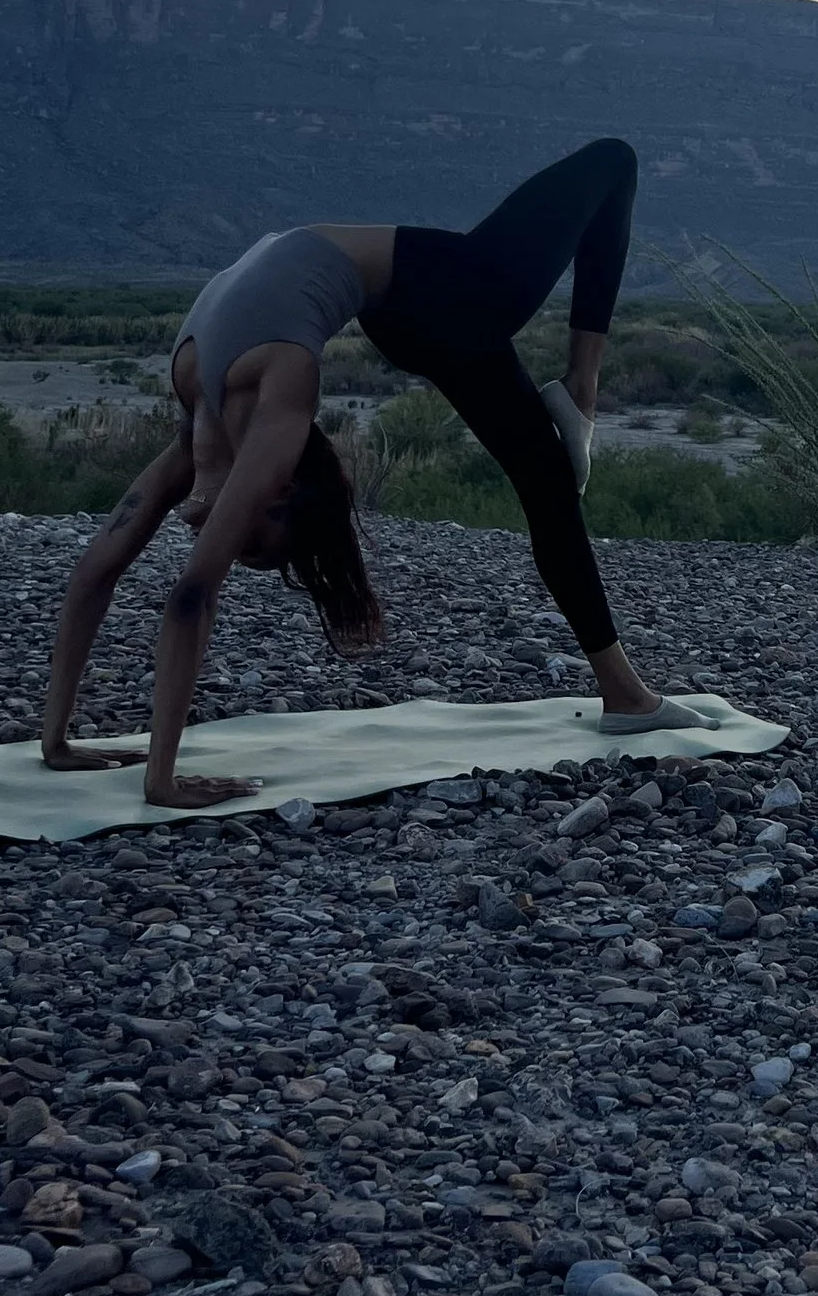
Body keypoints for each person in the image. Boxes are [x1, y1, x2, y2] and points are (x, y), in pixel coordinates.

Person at [38, 137, 711, 808]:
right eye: (254, 540)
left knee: (614, 162)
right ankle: (624, 689)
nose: (236, 537)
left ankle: (583, 395)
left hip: (448, 288)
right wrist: (60, 741)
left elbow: (188, 592)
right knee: (547, 480)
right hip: (414, 307)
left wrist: (159, 777)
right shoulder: (205, 408)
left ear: (279, 483)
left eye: (249, 536)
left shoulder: (274, 405)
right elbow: (105, 566)